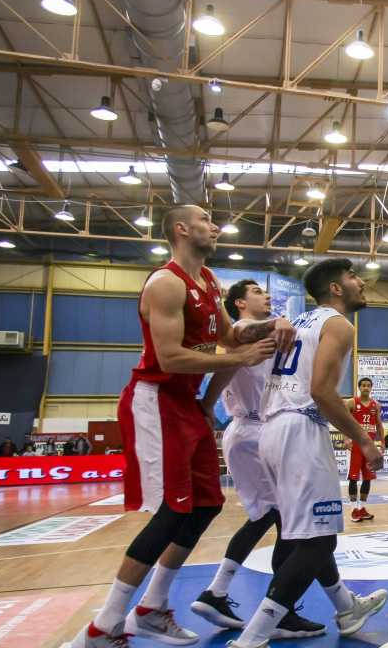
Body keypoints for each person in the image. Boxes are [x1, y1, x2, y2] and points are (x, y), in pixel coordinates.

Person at [71, 205, 288, 648]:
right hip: (155, 400)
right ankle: (102, 627)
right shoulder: (166, 283)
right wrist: (240, 359)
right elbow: (169, 357)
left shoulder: (208, 282)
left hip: (187, 404)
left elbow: (230, 337)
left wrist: (272, 325)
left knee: (206, 505)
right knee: (173, 510)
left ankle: (151, 608)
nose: (216, 226)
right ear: (182, 229)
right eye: (208, 219)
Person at [228, 259, 388, 648]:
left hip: (272, 429)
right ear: (335, 288)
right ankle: (254, 636)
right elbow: (321, 392)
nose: (361, 283)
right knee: (319, 541)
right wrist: (364, 440)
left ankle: (346, 607)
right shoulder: (338, 324)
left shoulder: (300, 322)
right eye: (353, 277)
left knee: (303, 535)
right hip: (300, 427)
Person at [191, 279, 324, 638]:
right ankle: (279, 613)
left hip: (244, 432)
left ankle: (217, 591)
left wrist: (207, 404)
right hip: (255, 430)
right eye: (257, 292)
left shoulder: (241, 336)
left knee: (268, 516)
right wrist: (279, 322)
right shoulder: (243, 330)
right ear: (239, 303)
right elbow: (238, 347)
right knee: (295, 523)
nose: (266, 296)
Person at [347, 378, 383, 522]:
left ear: (371, 388)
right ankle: (353, 510)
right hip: (356, 445)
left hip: (370, 447)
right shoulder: (351, 402)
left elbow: (379, 424)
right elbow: (344, 421)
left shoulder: (376, 405)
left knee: (368, 477)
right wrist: (345, 439)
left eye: (368, 386)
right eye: (363, 386)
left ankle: (362, 508)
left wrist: (383, 442)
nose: (366, 388)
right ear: (359, 387)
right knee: (353, 478)